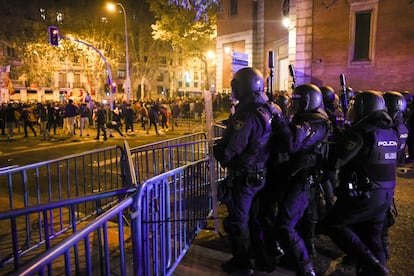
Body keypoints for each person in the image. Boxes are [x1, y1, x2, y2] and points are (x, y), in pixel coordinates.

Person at [321, 90, 397, 276]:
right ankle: (375, 270)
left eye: (355, 106)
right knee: (373, 236)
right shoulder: (389, 130)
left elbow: (340, 159)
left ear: (364, 108)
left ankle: (373, 267)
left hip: (365, 194)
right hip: (385, 195)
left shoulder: (363, 131)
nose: (351, 110)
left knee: (334, 224)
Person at [213, 67, 275, 274]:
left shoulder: (246, 115)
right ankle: (262, 259)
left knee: (237, 222)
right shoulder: (264, 109)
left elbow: (231, 149)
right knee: (254, 220)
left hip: (245, 177)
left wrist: (219, 151)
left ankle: (243, 263)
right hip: (259, 173)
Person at [273, 84, 330, 276]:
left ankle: (306, 268)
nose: (293, 106)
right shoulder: (304, 119)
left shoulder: (317, 122)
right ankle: (293, 256)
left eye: (297, 102)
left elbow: (292, 144)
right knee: (297, 222)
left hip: (304, 180)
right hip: (296, 177)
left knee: (285, 224)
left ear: (308, 102)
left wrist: (280, 121)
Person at [381, 91, 408, 259]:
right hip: (390, 173)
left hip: (384, 174)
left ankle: (382, 251)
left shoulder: (392, 127)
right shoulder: (402, 126)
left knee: (381, 216)